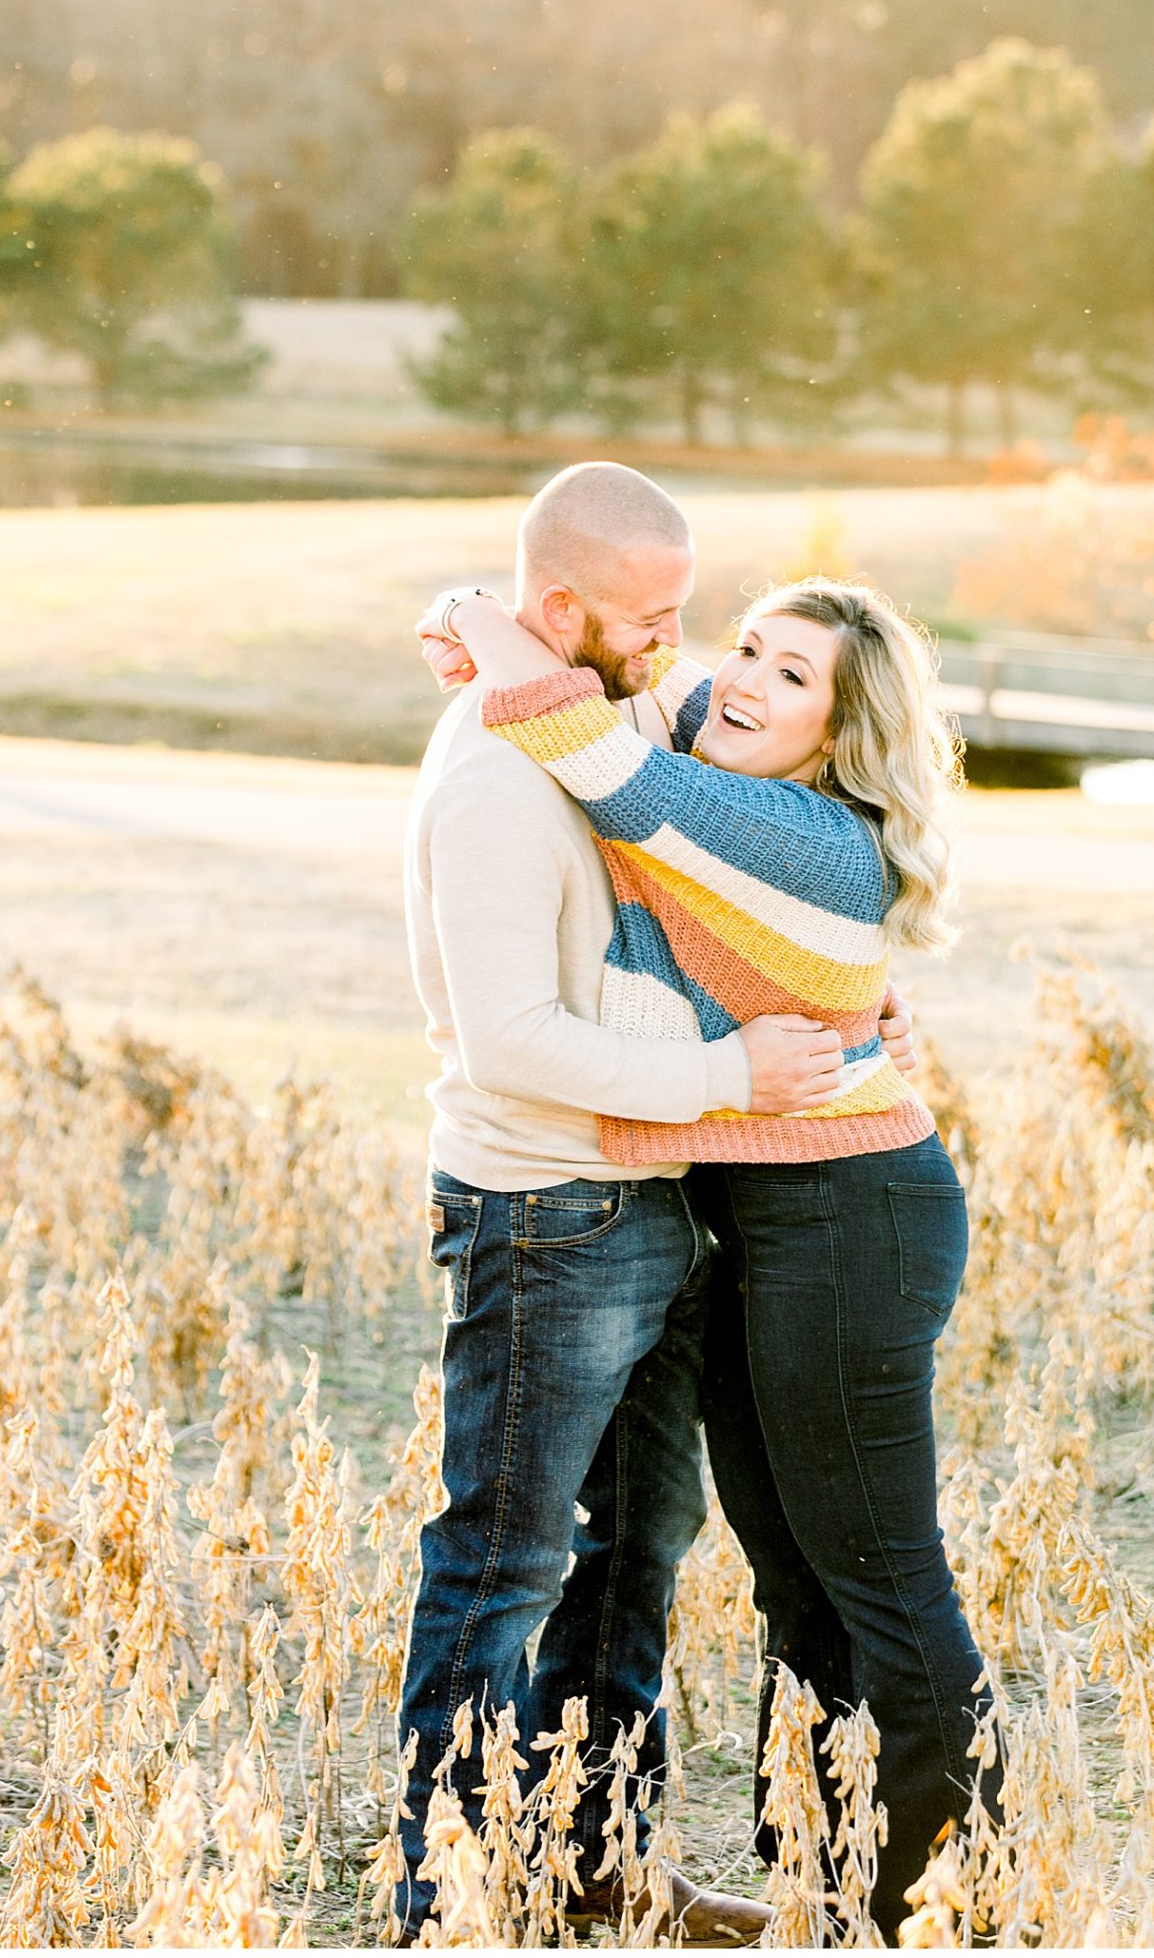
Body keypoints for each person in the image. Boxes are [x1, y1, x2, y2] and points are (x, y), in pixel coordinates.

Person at [434, 558, 999, 1942]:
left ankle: (960, 1903)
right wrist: (521, 624)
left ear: (842, 732)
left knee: (876, 1570)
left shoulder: (797, 833)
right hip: (769, 1214)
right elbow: (639, 681)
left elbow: (587, 745)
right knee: (794, 1572)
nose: (742, 681)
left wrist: (469, 617)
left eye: (790, 676)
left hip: (852, 1220)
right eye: (746, 648)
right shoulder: (740, 759)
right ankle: (825, 1880)